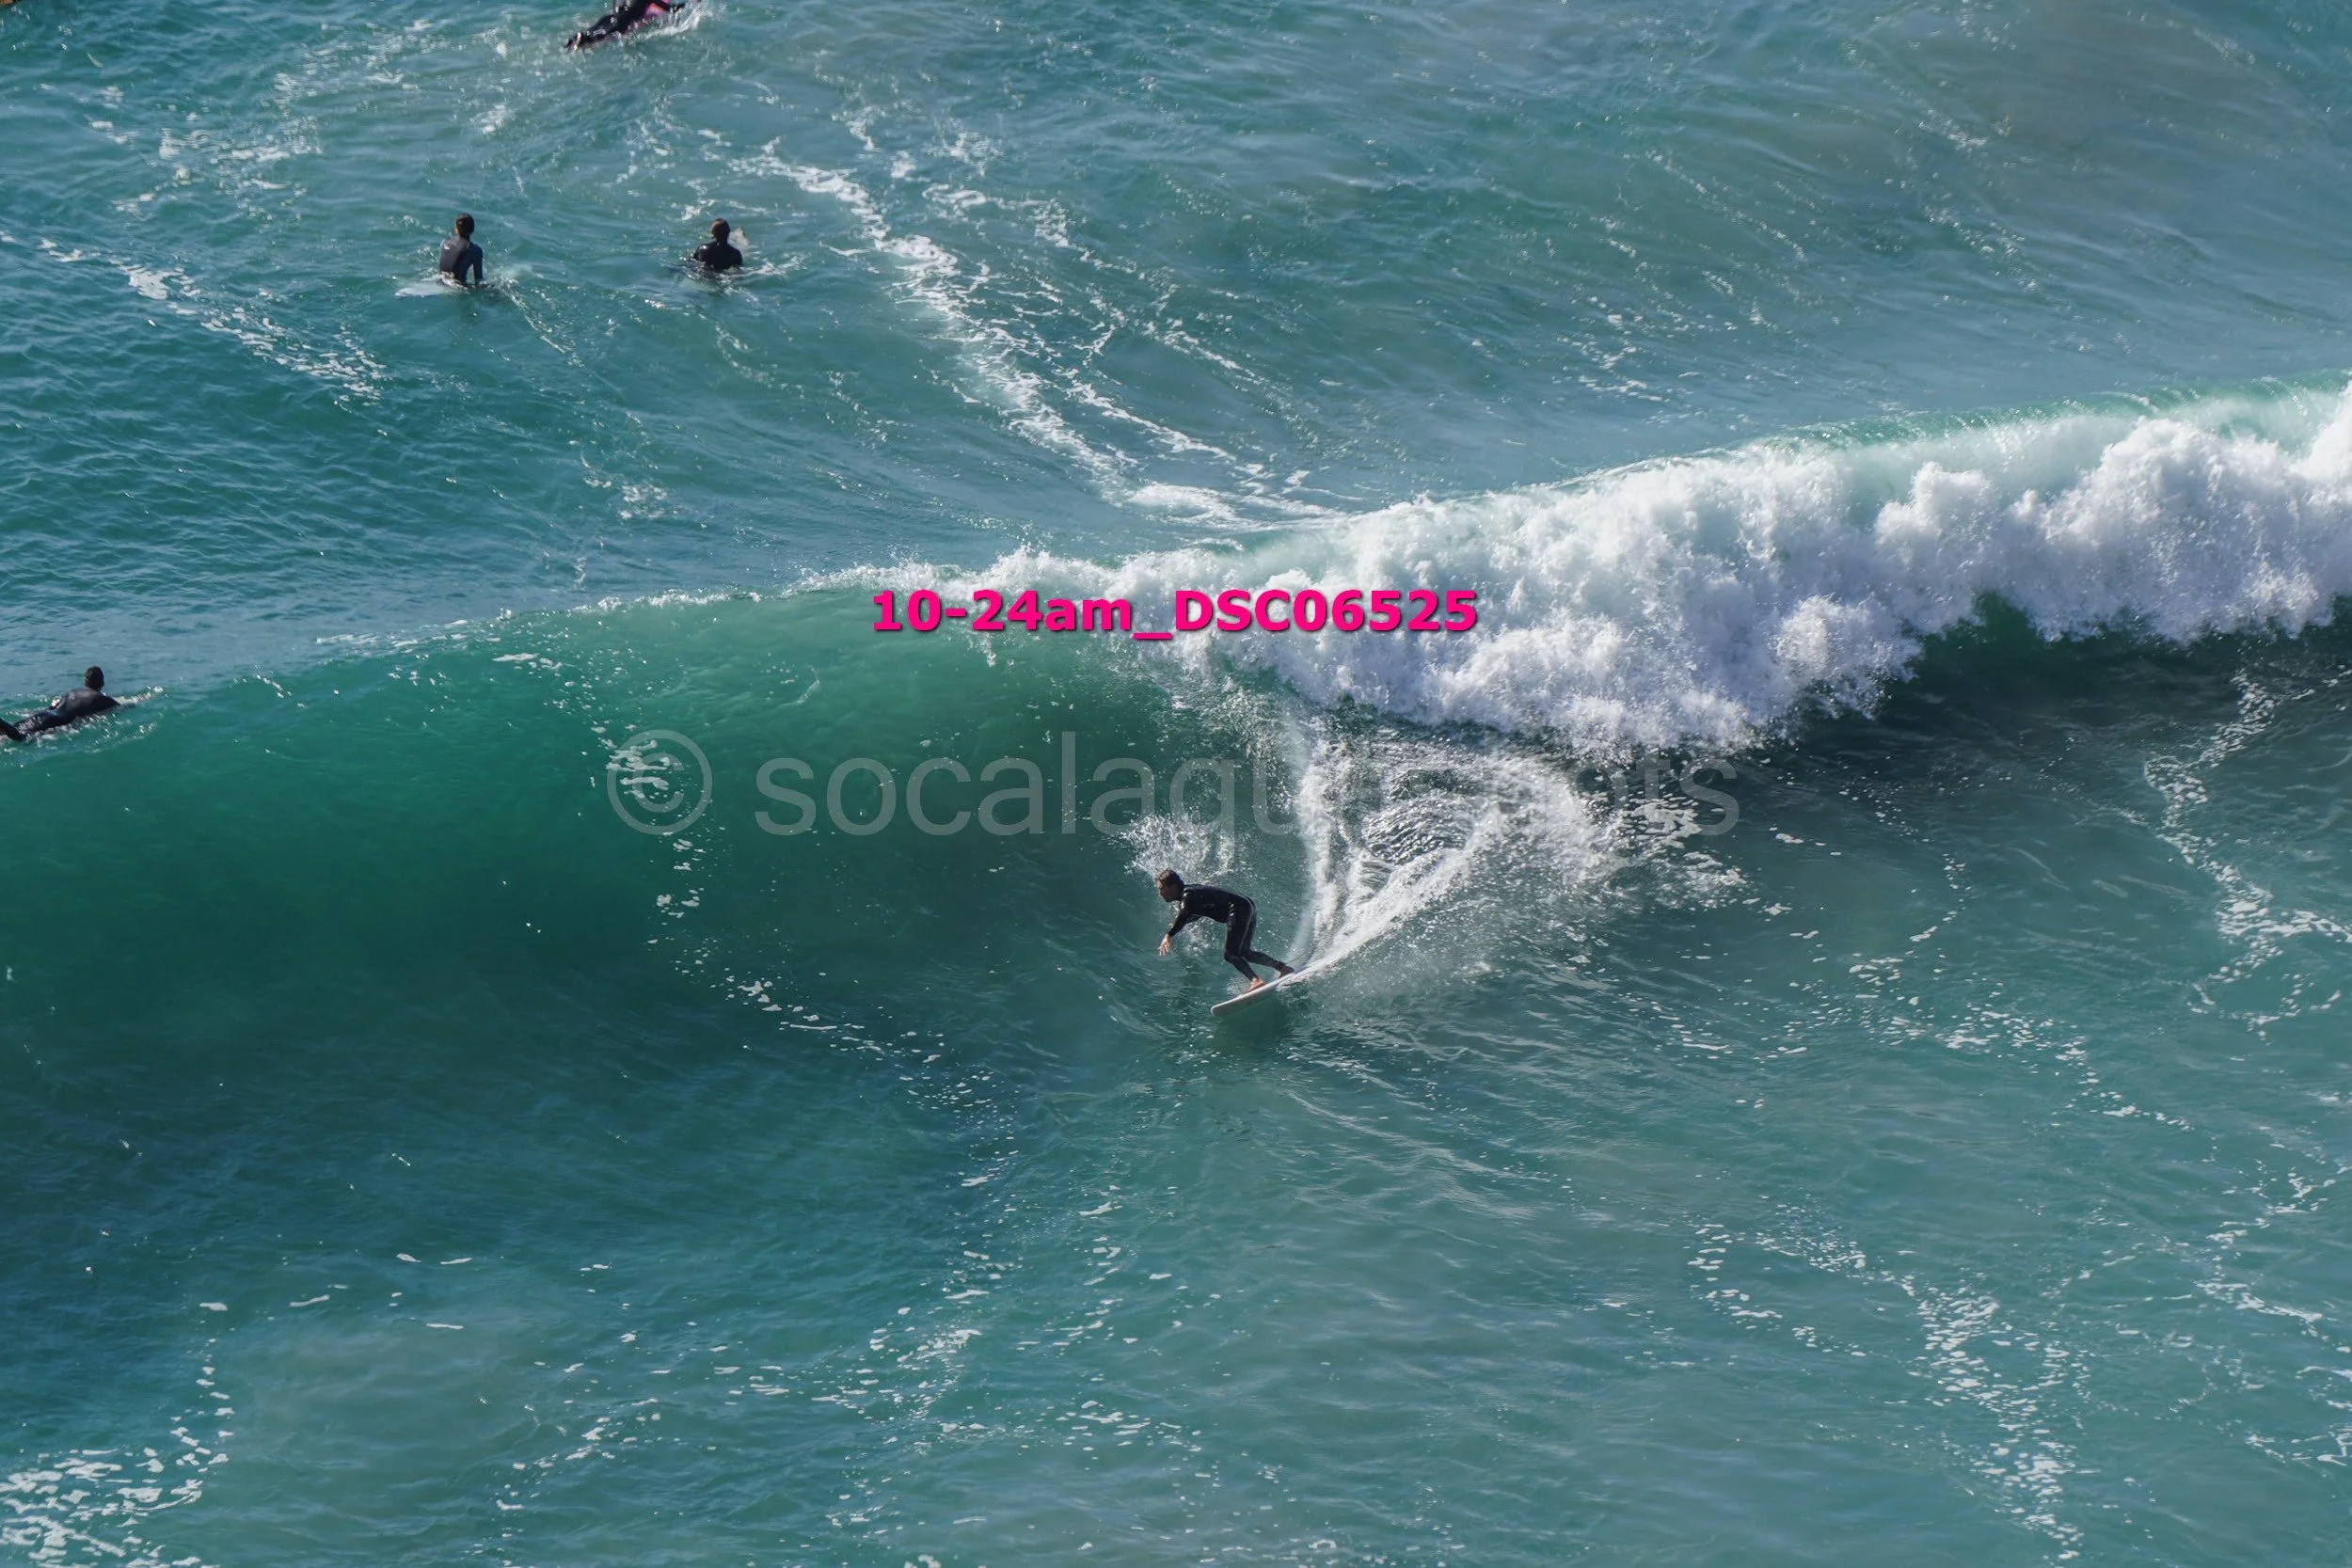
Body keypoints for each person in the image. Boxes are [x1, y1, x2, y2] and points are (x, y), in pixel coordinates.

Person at [1155, 869, 1296, 991]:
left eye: (1162, 889)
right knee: (1244, 952)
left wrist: (1169, 935)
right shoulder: (1190, 893)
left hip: (1238, 909)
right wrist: (1176, 927)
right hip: (1246, 905)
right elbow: (1193, 914)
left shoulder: (1187, 896)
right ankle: (1283, 968)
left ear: (1172, 886)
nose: (1160, 893)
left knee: (1230, 954)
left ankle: (1255, 980)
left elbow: (1184, 914)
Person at [2, 667, 120, 743]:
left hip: (45, 714)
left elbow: (54, 705)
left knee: (16, 728)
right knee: (20, 738)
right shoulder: (103, 699)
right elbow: (122, 706)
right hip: (56, 721)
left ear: (85, 682)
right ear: (102, 683)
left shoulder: (73, 691)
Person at [566, 0, 680, 49]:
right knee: (603, 37)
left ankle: (575, 38)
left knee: (593, 30)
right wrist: (686, 4)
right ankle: (584, 40)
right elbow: (670, 9)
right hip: (624, 21)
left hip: (611, 16)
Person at [437, 214, 484, 287]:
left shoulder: (444, 242)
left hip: (439, 281)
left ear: (456, 229)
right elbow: (478, 280)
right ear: (473, 229)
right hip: (457, 287)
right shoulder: (474, 250)